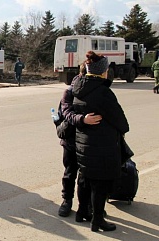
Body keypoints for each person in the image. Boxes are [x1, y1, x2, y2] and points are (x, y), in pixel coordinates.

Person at [72, 51, 129, 232]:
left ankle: (82, 212)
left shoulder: (78, 87)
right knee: (101, 183)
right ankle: (97, 221)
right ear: (102, 72)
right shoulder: (103, 92)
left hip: (83, 143)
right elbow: (121, 121)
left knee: (85, 178)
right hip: (102, 144)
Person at [55, 62, 102, 219]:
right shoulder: (69, 92)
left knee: (87, 176)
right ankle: (67, 201)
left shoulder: (97, 91)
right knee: (70, 173)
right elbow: (64, 114)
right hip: (71, 141)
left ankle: (88, 204)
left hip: (89, 142)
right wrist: (82, 120)